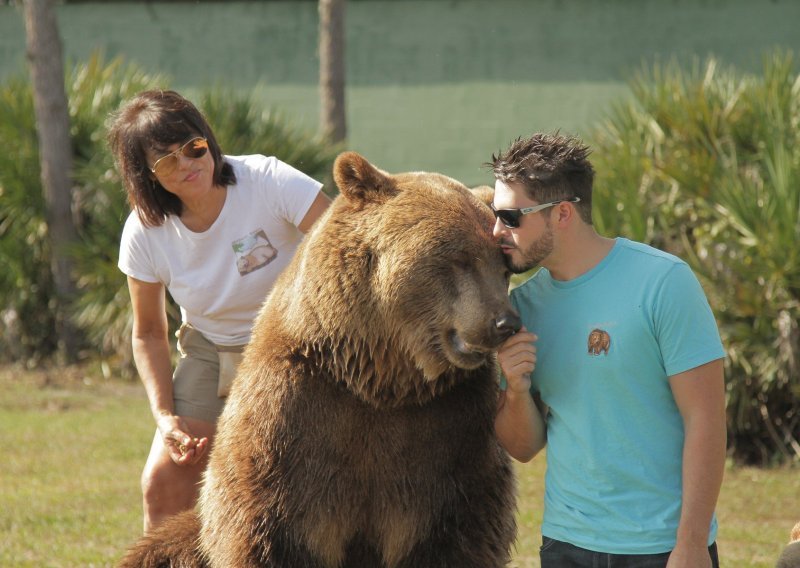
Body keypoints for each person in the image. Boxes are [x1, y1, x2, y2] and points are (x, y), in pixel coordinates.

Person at [489, 132, 727, 568]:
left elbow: (706, 418)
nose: (496, 231)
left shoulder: (663, 283)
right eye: (495, 215)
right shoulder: (521, 309)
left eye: (510, 216)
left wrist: (691, 543)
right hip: (566, 544)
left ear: (561, 214)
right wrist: (518, 393)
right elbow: (522, 448)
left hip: (662, 546)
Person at [107, 89, 331, 532]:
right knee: (162, 484)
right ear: (147, 177)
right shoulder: (144, 231)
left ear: (208, 140)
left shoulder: (267, 180)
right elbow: (149, 332)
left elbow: (345, 242)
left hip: (297, 343)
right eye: (167, 161)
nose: (189, 164)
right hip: (212, 351)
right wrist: (165, 417)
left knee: (292, 488)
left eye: (193, 148)